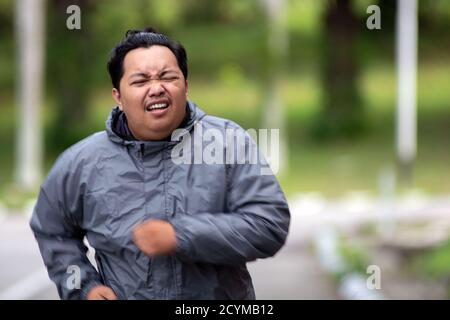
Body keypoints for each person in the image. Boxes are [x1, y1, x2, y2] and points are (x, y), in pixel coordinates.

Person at [30, 27, 290, 300]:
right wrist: (84, 288)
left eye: (168, 77)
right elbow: (52, 229)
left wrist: (182, 236)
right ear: (118, 96)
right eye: (141, 81)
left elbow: (269, 224)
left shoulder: (229, 142)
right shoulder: (81, 163)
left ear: (186, 87)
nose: (156, 88)